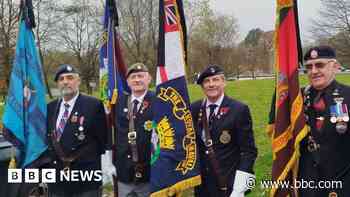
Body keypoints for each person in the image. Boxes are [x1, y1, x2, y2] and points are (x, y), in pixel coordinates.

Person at [191, 65, 257, 197]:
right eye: (206, 81)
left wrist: (240, 189)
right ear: (202, 86)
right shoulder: (194, 108)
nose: (211, 85)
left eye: (215, 80)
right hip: (202, 185)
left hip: (229, 184)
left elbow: (249, 151)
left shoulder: (238, 109)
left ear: (224, 82)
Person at [44, 64, 108, 197]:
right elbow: (49, 139)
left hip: (85, 177)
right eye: (61, 79)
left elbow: (102, 141)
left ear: (78, 81)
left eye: (70, 78)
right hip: (58, 178)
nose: (65, 82)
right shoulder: (50, 107)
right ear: (57, 84)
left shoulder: (93, 105)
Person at [298, 46, 350, 196]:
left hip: (341, 184)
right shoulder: (297, 100)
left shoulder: (348, 96)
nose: (313, 71)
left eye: (320, 65)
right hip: (307, 186)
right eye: (309, 67)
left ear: (335, 67)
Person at [114, 63, 155, 197]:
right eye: (133, 77)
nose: (137, 80)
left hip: (150, 171)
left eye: (140, 76)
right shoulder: (117, 102)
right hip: (124, 170)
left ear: (149, 79)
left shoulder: (159, 101)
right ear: (127, 81)